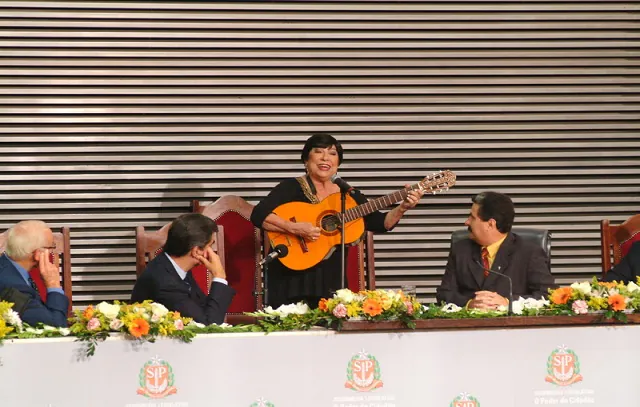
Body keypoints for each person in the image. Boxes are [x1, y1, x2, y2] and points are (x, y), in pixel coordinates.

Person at [250, 133, 423, 308]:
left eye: (332, 154)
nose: (325, 158)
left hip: (331, 281)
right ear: (306, 160)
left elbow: (380, 222)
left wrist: (402, 208)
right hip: (290, 279)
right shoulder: (290, 187)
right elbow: (258, 214)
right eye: (318, 152)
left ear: (338, 163)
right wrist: (293, 228)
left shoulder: (347, 195)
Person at [436, 191, 556, 309]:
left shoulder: (529, 252)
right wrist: (469, 304)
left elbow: (547, 295)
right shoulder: (461, 249)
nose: (466, 222)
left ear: (490, 224)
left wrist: (508, 302)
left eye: (472, 217)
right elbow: (444, 294)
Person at [131, 213, 235, 325]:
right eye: (209, 246)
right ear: (196, 251)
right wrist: (219, 277)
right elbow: (208, 325)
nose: (212, 253)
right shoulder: (165, 283)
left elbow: (203, 310)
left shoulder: (174, 268)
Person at [0, 220, 69, 327]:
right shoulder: (13, 287)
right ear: (38, 253)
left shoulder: (7, 268)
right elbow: (55, 326)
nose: (51, 252)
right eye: (51, 247)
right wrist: (54, 285)